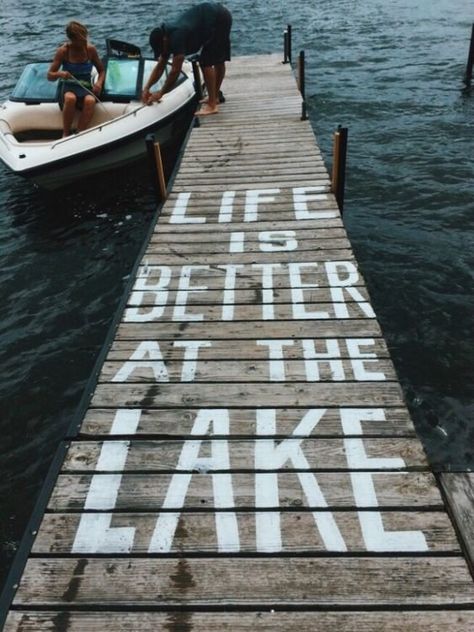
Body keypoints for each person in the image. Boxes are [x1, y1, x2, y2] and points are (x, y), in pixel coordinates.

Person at [143, 2, 232, 116]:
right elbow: (160, 66)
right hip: (214, 16)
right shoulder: (165, 38)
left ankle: (212, 105)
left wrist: (161, 93)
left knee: (207, 62)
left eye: (162, 49)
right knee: (215, 59)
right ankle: (213, 98)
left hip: (218, 18)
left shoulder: (177, 37)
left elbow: (175, 71)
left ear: (165, 40)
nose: (163, 53)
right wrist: (147, 88)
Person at [47, 21, 105, 137]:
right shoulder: (63, 51)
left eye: (85, 37)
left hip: (85, 88)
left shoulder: (90, 50)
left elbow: (102, 71)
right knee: (70, 98)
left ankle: (80, 133)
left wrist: (99, 83)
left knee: (90, 100)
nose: (84, 41)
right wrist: (60, 74)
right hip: (68, 88)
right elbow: (50, 75)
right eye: (81, 39)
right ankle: (66, 133)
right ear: (72, 39)